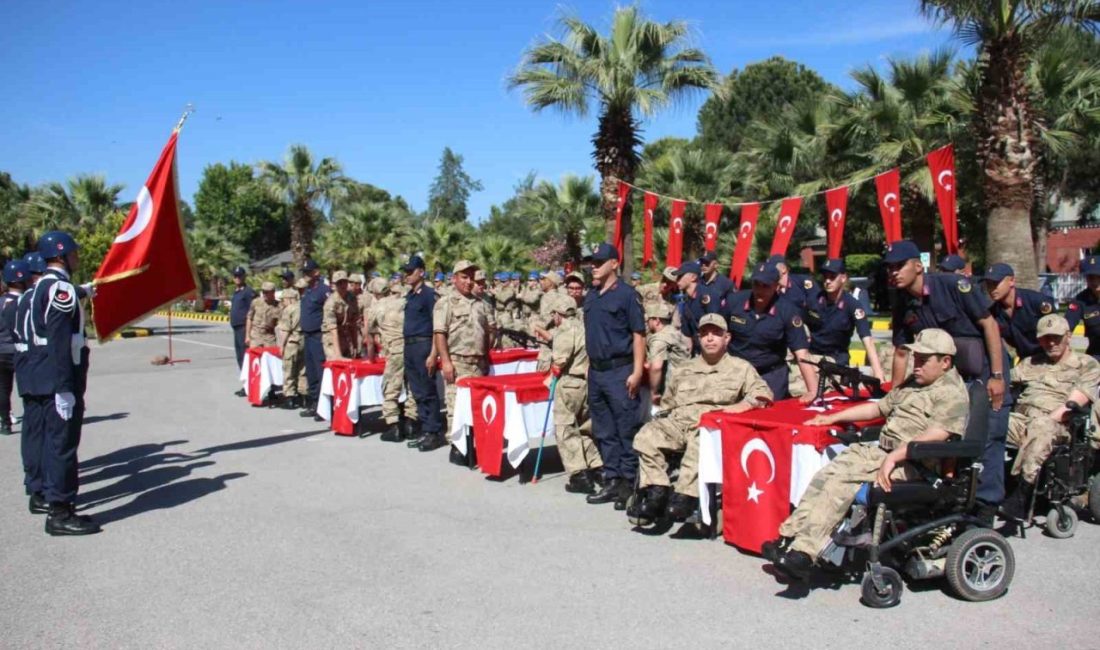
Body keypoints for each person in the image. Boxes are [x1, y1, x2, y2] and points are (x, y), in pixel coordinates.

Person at [769, 329, 969, 579]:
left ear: (945, 362)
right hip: (882, 451)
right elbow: (878, 408)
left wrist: (894, 456)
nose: (915, 365)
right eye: (915, 358)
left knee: (840, 484)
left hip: (915, 463)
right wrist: (831, 417)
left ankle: (804, 553)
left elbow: (939, 434)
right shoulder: (915, 383)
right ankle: (787, 537)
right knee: (827, 473)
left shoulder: (952, 393)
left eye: (923, 360)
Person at [886, 239, 1009, 519]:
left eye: (899, 265)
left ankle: (985, 508)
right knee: (944, 435)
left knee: (987, 434)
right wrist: (894, 393)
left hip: (985, 366)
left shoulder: (952, 286)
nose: (893, 272)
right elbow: (902, 351)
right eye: (889, 267)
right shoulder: (902, 300)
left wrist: (998, 376)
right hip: (945, 375)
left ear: (918, 266)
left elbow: (989, 325)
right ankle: (947, 499)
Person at [631, 313, 772, 524]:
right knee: (646, 435)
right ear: (698, 339)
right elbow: (668, 404)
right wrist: (660, 420)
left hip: (713, 426)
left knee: (701, 438)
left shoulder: (741, 368)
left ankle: (685, 496)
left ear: (727, 338)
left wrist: (742, 406)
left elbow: (763, 393)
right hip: (679, 422)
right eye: (705, 334)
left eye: (716, 334)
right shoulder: (683, 368)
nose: (710, 338)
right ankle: (657, 490)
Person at [21, 231, 100, 535]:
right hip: (59, 378)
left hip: (42, 375)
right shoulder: (59, 288)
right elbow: (58, 340)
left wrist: (85, 291)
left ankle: (57, 503)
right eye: (74, 253)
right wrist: (64, 387)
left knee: (54, 443)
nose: (77, 257)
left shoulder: (43, 286)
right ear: (61, 255)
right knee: (62, 446)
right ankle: (60, 511)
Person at [1000, 314, 1100, 520]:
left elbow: (1074, 402)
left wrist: (1045, 419)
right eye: (1045, 338)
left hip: (1060, 424)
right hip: (1022, 420)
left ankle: (1022, 494)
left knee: (1042, 425)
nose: (1051, 342)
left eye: (1056, 337)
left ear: (1068, 336)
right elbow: (1004, 383)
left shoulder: (1086, 364)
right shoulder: (1031, 363)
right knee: (988, 422)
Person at [582, 243, 646, 509]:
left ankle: (629, 484)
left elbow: (639, 334)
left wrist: (637, 371)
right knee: (604, 430)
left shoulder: (627, 295)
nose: (593, 267)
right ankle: (612, 478)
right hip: (596, 372)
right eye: (591, 262)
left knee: (625, 429)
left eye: (598, 262)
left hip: (620, 371)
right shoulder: (591, 296)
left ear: (614, 264)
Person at [721, 262, 817, 402]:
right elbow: (716, 334)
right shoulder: (734, 302)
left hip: (771, 375)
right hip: (736, 373)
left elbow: (801, 353)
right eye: (756, 284)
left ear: (776, 286)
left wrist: (812, 390)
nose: (760, 289)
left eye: (766, 285)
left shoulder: (788, 311)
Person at [429, 260, 496, 452]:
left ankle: (476, 444)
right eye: (464, 277)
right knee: (456, 406)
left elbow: (490, 329)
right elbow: (440, 333)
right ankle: (457, 447)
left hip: (479, 363)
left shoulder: (481, 303)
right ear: (454, 278)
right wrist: (446, 362)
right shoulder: (445, 303)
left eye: (471, 277)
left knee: (477, 406)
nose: (468, 282)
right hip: (458, 362)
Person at [545, 294, 603, 494]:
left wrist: (551, 375)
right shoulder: (583, 327)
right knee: (586, 427)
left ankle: (578, 475)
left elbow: (560, 360)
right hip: (586, 382)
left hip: (569, 382)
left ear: (557, 314)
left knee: (565, 428)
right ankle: (597, 465)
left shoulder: (564, 330)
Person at [803, 258, 885, 379]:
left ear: (843, 278)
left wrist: (878, 374)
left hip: (837, 360)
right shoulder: (814, 300)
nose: (827, 281)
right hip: (812, 357)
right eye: (825, 277)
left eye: (832, 277)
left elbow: (867, 339)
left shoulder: (852, 305)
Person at [368, 278, 419, 442]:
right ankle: (411, 423)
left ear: (375, 293)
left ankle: (394, 426)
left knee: (390, 388)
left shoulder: (375, 308)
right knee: (411, 386)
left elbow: (369, 336)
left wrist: (371, 358)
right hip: (411, 348)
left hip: (394, 352)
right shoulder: (402, 302)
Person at [403, 255, 444, 450]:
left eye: (411, 271)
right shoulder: (410, 295)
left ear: (421, 271)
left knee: (428, 391)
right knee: (417, 391)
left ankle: (434, 431)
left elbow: (437, 327)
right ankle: (425, 429)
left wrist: (433, 354)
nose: (407, 275)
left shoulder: (429, 295)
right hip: (409, 346)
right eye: (406, 272)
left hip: (423, 345)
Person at [983, 262, 1054, 361]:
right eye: (989, 284)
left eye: (996, 283)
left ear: (1012, 281)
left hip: (1050, 358)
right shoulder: (993, 313)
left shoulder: (1036, 302)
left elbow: (1057, 331)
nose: (992, 288)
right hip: (1025, 360)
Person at [0, 260, 30, 436]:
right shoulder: (25, 302)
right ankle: (32, 418)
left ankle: (5, 423)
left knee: (3, 389)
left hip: (1, 351)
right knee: (27, 387)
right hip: (19, 350)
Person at [299, 259, 330, 418]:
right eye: (304, 272)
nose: (305, 275)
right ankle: (314, 403)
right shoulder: (308, 291)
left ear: (316, 272)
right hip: (307, 336)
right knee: (311, 372)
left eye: (308, 272)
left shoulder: (324, 291)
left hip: (319, 336)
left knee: (320, 372)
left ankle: (324, 407)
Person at [644, 302, 690, 405]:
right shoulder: (674, 331)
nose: (647, 323)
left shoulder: (659, 338)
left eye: (648, 320)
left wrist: (653, 392)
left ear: (657, 320)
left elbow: (656, 367)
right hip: (685, 383)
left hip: (673, 390)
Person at [677, 260, 720, 354]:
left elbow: (716, 326)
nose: (677, 279)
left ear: (693, 277)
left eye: (680, 276)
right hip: (699, 350)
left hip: (713, 349)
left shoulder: (707, 296)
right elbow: (687, 334)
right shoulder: (686, 302)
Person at [1064, 255, 1100, 363]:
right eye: (1091, 277)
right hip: (1096, 356)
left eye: (1099, 276)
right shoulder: (1080, 301)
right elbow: (1066, 327)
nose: (1095, 281)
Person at [229, 266, 255, 395]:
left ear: (244, 277)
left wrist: (249, 333)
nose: (237, 278)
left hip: (244, 328)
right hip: (236, 328)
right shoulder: (236, 292)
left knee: (245, 358)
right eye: (235, 276)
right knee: (240, 358)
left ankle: (250, 385)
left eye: (239, 276)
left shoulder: (248, 292)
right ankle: (246, 385)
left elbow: (253, 311)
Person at [322, 271, 358, 360]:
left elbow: (353, 324)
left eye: (344, 282)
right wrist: (338, 355)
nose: (342, 285)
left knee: (351, 363)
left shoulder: (351, 298)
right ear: (335, 285)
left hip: (346, 336)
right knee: (336, 365)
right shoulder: (331, 303)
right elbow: (333, 331)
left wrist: (355, 345)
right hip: (332, 339)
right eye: (339, 283)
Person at [637, 266, 681, 330]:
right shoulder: (644, 290)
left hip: (662, 336)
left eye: (669, 283)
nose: (665, 284)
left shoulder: (673, 301)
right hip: (643, 331)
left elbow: (675, 325)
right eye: (664, 280)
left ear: (674, 285)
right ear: (661, 277)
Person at [244, 282, 280, 348]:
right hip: (256, 336)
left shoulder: (278, 306)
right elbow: (249, 318)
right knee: (255, 357)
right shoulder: (256, 302)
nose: (264, 294)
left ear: (273, 292)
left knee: (270, 357)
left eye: (266, 292)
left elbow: (281, 324)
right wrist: (247, 336)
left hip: (269, 337)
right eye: (263, 292)